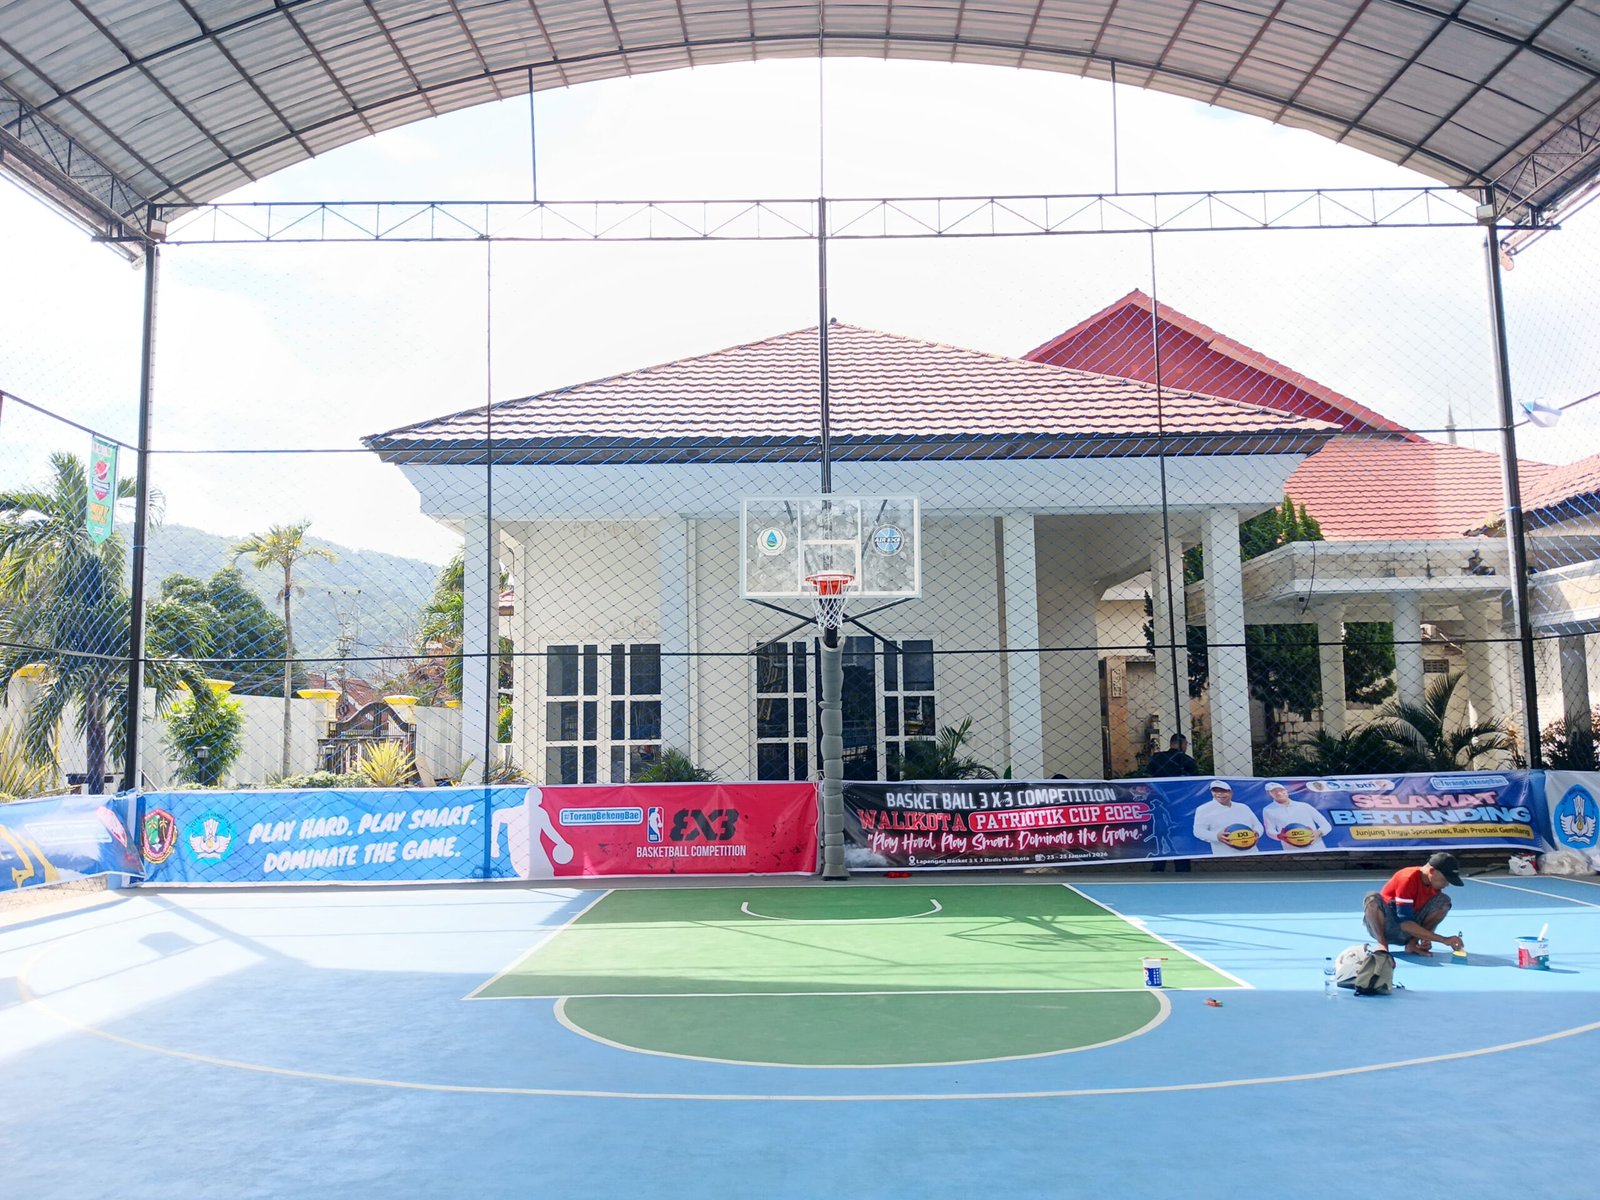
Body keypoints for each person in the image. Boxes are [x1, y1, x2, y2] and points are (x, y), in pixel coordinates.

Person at [1363, 852, 1465, 956]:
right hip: (1388, 926)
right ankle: (1382, 943)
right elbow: (1405, 924)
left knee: (1444, 902)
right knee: (1372, 899)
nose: (1446, 885)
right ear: (1431, 871)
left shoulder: (1434, 885)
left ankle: (1412, 944)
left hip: (1409, 929)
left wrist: (1426, 937)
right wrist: (1443, 940)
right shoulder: (1407, 878)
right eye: (1444, 880)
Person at [490, 786, 574, 878]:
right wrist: (493, 842)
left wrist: (561, 843)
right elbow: (550, 831)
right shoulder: (523, 812)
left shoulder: (538, 812)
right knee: (546, 873)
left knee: (548, 872)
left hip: (533, 851)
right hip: (521, 853)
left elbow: (550, 831)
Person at [1191, 779, 1262, 855]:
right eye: (1215, 791)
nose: (1219, 794)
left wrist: (1257, 833)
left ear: (1231, 792)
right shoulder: (1203, 809)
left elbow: (1258, 825)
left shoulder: (1243, 807)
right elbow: (1198, 831)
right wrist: (1216, 836)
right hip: (1224, 855)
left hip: (1252, 853)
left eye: (1223, 791)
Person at [1259, 781, 1333, 851]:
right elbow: (1270, 830)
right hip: (1291, 851)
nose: (1279, 793)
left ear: (1286, 791)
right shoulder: (1268, 810)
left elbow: (1326, 825)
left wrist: (1319, 833)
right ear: (1269, 794)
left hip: (1316, 848)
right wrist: (1279, 836)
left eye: (1281, 790)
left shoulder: (1304, 806)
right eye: (1274, 791)